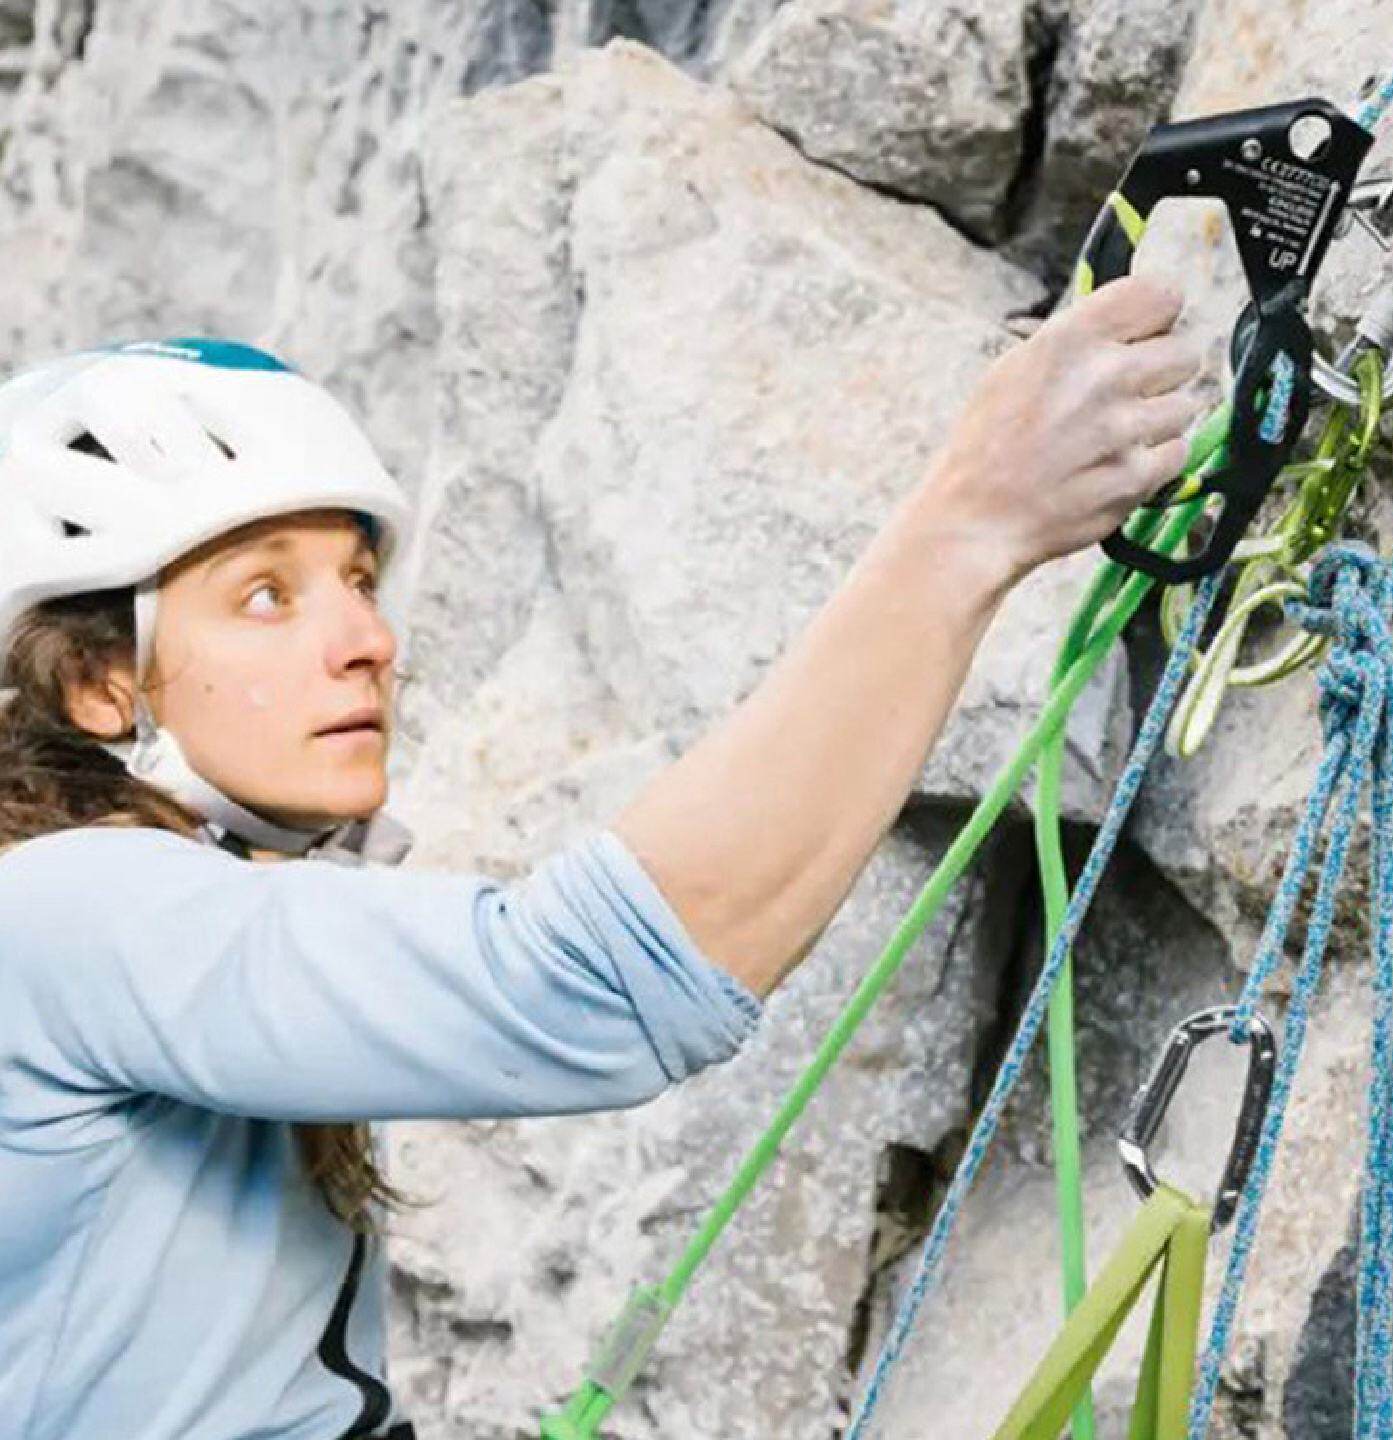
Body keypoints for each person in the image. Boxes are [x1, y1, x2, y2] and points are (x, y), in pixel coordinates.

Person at [0, 279, 1202, 1440]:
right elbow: (585, 986)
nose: (366, 638)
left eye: (358, 581)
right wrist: (967, 525)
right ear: (100, 683)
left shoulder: (146, 907)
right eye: (266, 596)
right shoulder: (76, 906)